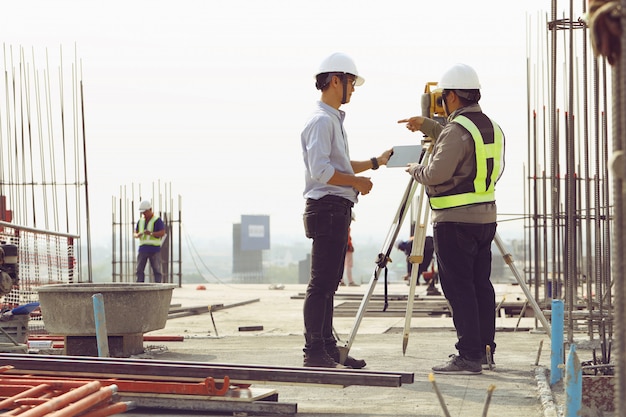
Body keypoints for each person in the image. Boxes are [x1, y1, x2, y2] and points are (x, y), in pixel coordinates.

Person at [398, 63, 505, 375]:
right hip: (485, 219)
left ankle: (468, 355)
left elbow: (435, 173)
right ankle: (485, 350)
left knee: (459, 289)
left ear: (453, 97)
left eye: (444, 98)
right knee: (480, 286)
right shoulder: (490, 127)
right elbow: (461, 145)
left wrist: (413, 169)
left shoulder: (457, 131)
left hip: (454, 221)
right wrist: (429, 126)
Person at [301, 52, 392, 369]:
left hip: (336, 208)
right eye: (351, 82)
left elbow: (337, 164)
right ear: (335, 80)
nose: (353, 89)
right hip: (326, 207)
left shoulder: (333, 121)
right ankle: (314, 351)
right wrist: (357, 181)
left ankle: (326, 347)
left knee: (329, 284)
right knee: (321, 284)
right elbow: (321, 171)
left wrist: (375, 163)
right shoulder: (322, 121)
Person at [134, 200, 166, 283]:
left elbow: (162, 232)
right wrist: (138, 235)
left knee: (156, 270)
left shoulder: (157, 220)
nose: (144, 214)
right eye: (142, 212)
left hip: (154, 249)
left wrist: (151, 233)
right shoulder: (140, 221)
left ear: (150, 210)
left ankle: (158, 287)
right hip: (143, 248)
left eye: (145, 212)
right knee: (139, 269)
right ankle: (140, 287)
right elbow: (135, 233)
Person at [341, 213, 358, 287]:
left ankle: (341, 281)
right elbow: (346, 238)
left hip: (342, 246)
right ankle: (350, 281)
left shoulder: (342, 225)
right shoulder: (346, 227)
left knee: (342, 264)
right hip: (347, 247)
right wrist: (349, 245)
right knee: (348, 265)